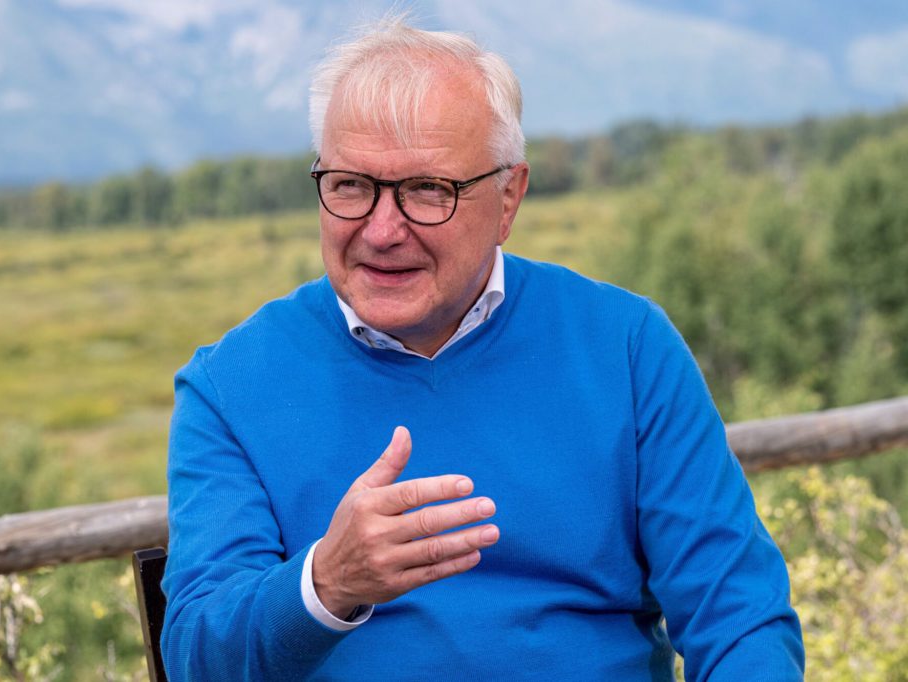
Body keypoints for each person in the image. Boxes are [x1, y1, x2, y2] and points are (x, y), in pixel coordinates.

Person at [160, 17, 805, 681]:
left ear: (508, 198)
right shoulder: (229, 387)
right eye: (351, 185)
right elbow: (195, 660)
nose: (381, 230)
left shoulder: (626, 347)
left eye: (427, 190)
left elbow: (739, 620)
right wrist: (326, 583)